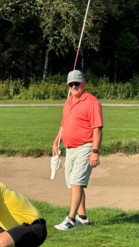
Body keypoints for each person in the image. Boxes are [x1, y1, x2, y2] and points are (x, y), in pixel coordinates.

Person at [52, 70, 103, 231]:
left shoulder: (92, 102)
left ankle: (71, 219)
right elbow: (63, 125)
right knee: (74, 184)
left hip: (85, 147)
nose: (74, 86)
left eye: (77, 83)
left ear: (83, 83)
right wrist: (56, 143)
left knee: (76, 182)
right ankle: (83, 217)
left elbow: (97, 128)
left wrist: (94, 151)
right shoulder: (68, 102)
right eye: (71, 84)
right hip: (70, 148)